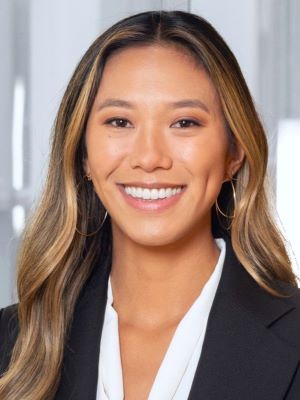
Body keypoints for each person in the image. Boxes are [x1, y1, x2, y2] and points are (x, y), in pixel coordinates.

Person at [0, 9, 300, 400]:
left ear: (234, 152)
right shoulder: (14, 343)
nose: (149, 157)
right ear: (84, 154)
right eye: (120, 122)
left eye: (184, 123)